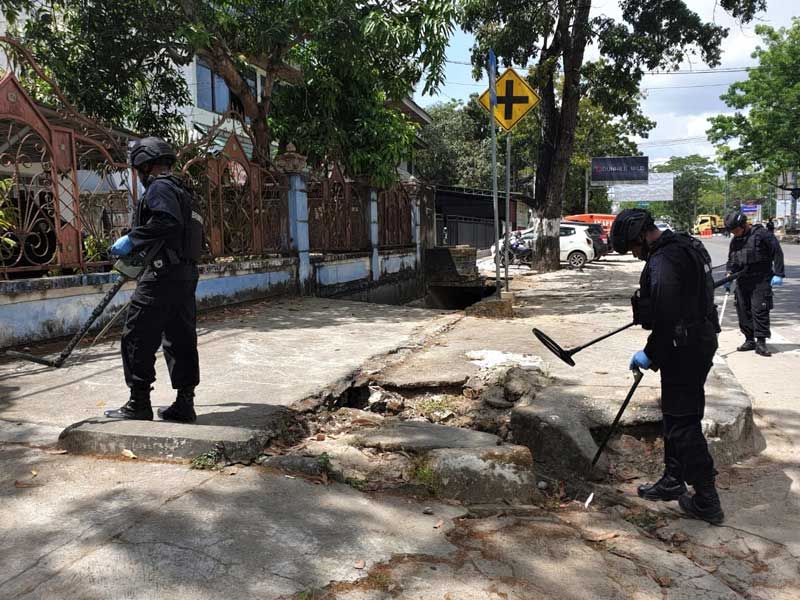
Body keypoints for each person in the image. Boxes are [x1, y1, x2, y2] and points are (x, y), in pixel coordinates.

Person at [610, 209, 724, 525]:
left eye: (633, 248)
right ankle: (674, 479)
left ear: (640, 236)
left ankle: (706, 499)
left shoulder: (663, 262)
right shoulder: (684, 245)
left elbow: (666, 317)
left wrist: (650, 353)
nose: (635, 255)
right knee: (677, 415)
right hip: (696, 342)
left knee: (683, 424)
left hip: (684, 349)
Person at [104, 137, 202, 423]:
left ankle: (139, 403)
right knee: (180, 337)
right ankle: (185, 404)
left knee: (137, 334)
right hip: (185, 272)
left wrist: (132, 239)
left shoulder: (160, 187)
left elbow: (167, 222)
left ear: (144, 165)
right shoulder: (184, 190)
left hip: (162, 274)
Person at [724, 210, 785, 357]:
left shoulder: (762, 234)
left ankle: (761, 343)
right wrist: (729, 274)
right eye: (732, 231)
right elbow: (732, 259)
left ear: (744, 225)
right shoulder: (735, 240)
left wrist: (778, 273)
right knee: (743, 311)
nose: (734, 233)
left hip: (760, 279)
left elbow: (777, 252)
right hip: (742, 280)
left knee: (759, 310)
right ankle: (749, 340)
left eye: (736, 230)